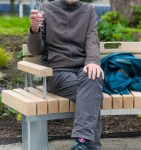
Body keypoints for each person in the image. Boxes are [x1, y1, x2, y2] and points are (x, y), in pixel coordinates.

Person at [27, 0, 104, 149]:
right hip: (57, 71)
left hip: (83, 69)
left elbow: (92, 40)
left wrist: (93, 61)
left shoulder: (88, 10)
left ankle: (81, 143)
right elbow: (36, 50)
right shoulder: (46, 8)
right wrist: (34, 29)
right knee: (91, 95)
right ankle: (90, 145)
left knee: (94, 77)